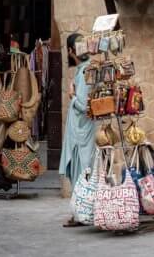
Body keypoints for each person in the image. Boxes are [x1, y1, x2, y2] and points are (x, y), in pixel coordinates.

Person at [58, 32, 96, 227]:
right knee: (84, 169)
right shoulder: (86, 69)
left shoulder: (84, 72)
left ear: (71, 51)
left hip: (82, 132)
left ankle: (82, 212)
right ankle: (81, 211)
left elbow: (83, 104)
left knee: (82, 170)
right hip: (84, 130)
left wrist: (72, 94)